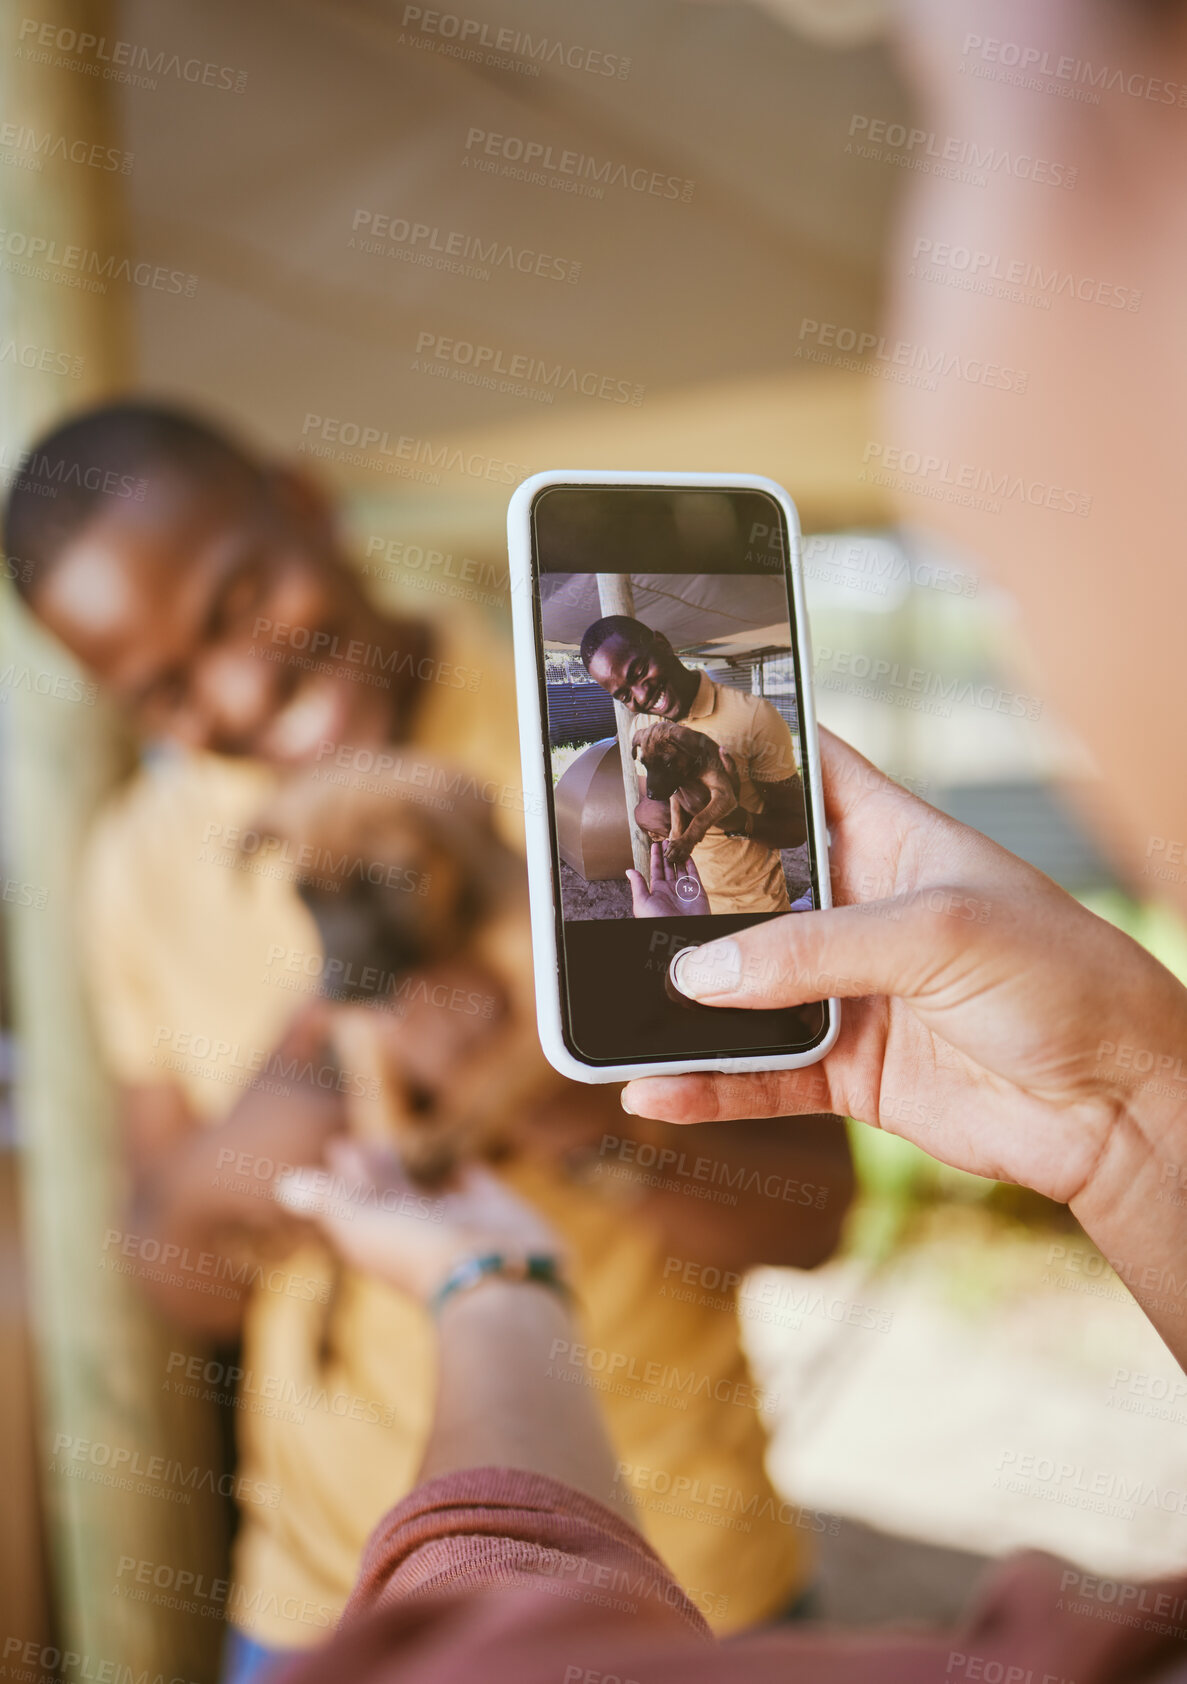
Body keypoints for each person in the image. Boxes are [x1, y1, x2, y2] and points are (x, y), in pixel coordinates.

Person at [3, 401, 855, 1674]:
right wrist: (319, 1066)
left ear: (304, 502)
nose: (242, 685)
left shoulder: (605, 742)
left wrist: (553, 1093)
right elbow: (177, 1275)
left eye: (240, 597)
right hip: (323, 1602)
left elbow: (807, 1208)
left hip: (676, 1577)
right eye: (165, 690)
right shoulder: (137, 866)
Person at [273, 728, 1187, 1678]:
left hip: (691, 1508)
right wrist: (1127, 1118)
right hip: (343, 1515)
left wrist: (487, 1263)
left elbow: (508, 1606)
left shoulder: (522, 792)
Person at [581, 614, 807, 913]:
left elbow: (798, 828)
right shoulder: (643, 725)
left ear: (661, 644)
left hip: (752, 905)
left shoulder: (756, 717)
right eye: (624, 694)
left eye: (638, 670)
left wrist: (736, 820)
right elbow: (651, 797)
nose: (641, 695)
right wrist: (643, 813)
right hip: (683, 902)